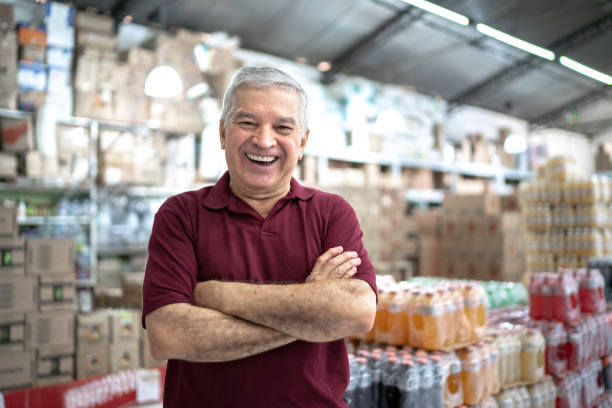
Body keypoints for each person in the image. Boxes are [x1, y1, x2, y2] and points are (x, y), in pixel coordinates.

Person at [142, 66, 377, 407]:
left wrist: (218, 294)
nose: (264, 140)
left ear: (302, 142)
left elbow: (357, 311)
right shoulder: (181, 215)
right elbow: (168, 334)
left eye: (282, 127)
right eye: (247, 122)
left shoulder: (331, 213)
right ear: (223, 133)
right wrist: (313, 311)